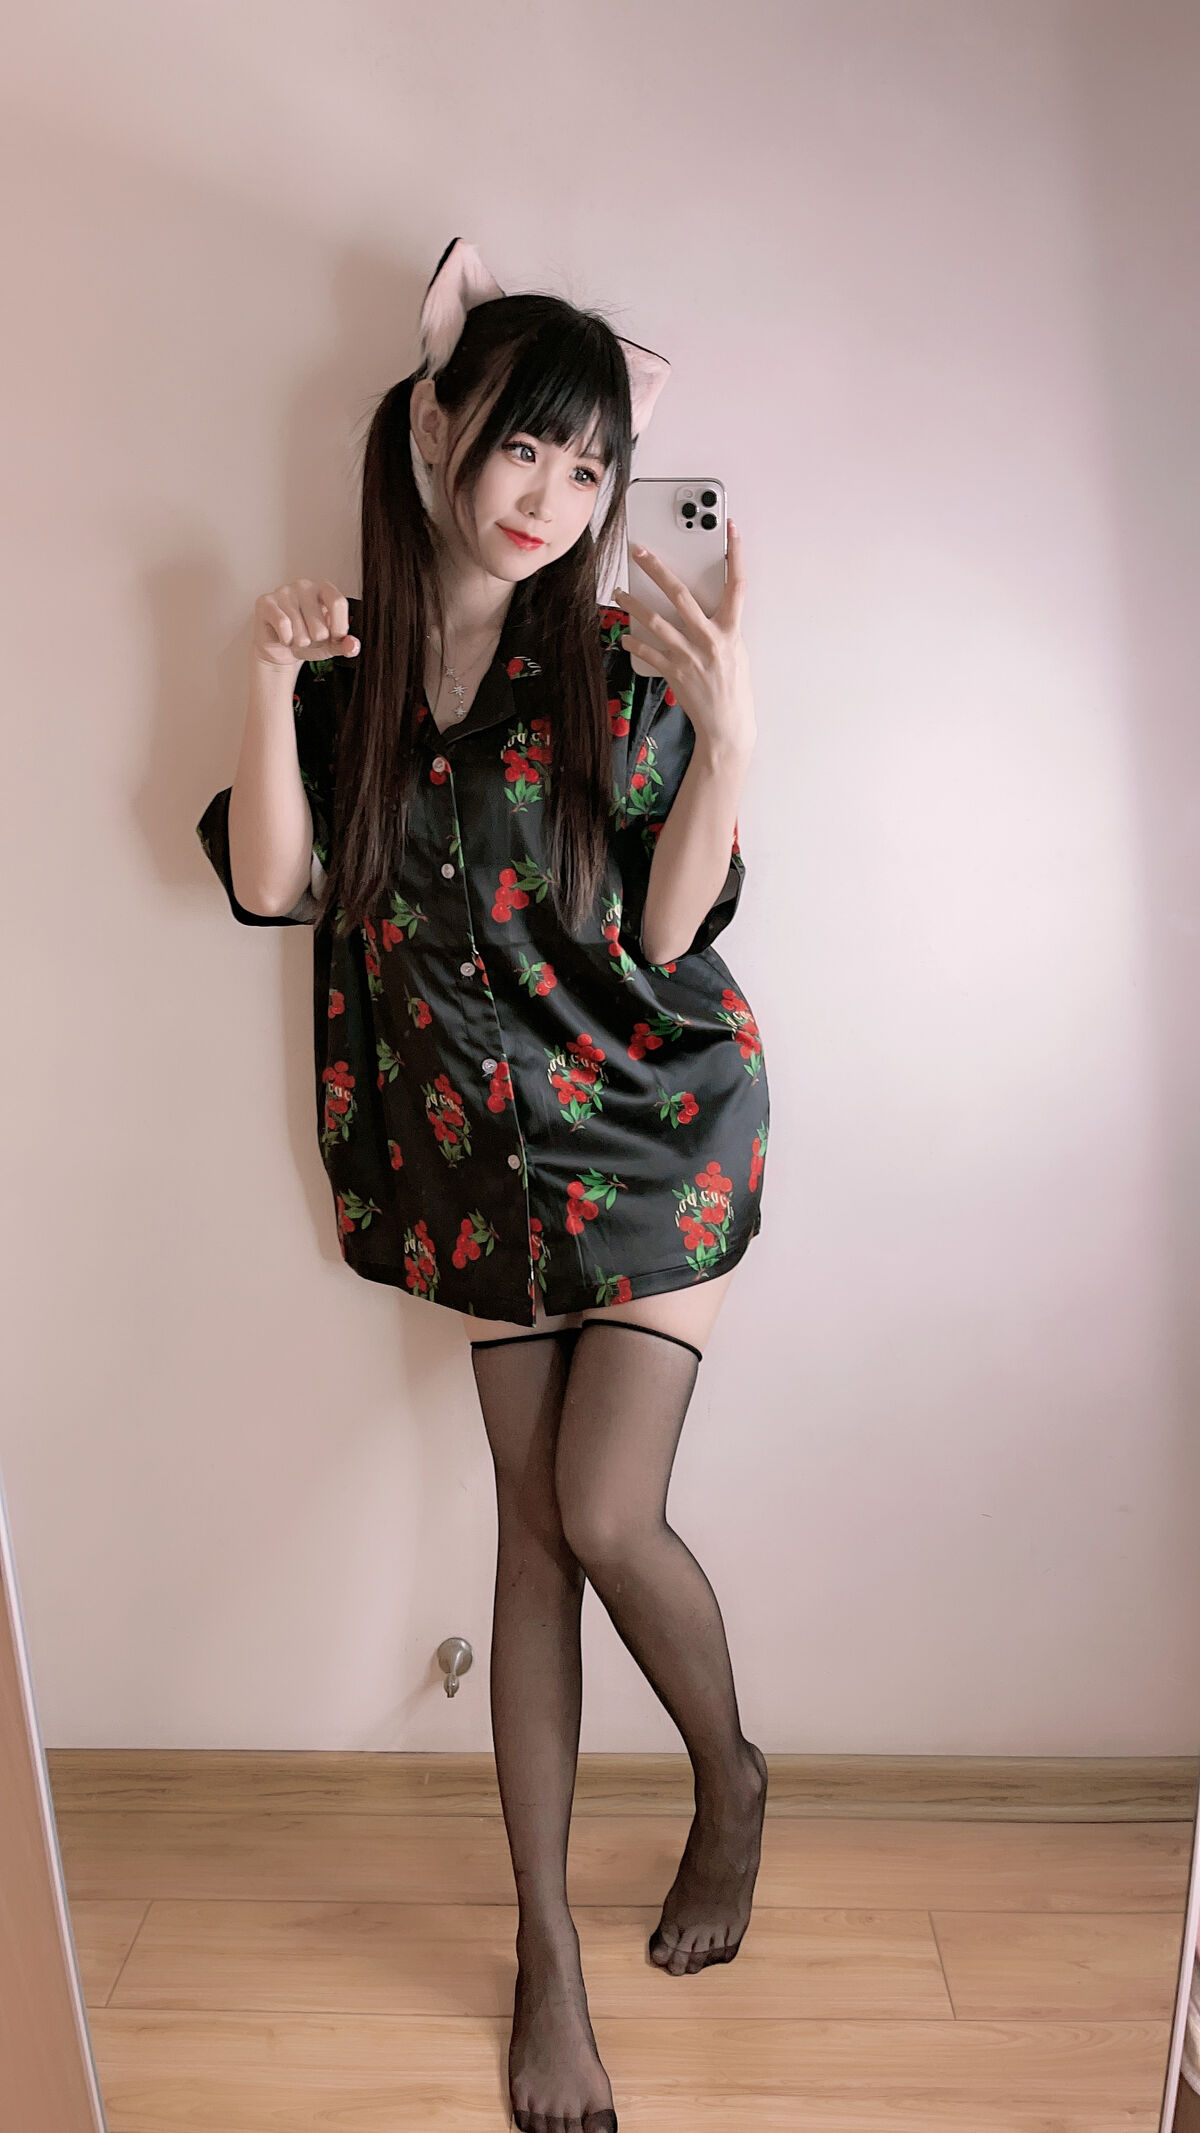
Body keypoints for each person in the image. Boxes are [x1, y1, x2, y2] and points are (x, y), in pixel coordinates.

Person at [196, 237, 771, 2133]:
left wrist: (733, 732)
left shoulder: (603, 661)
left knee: (602, 1509)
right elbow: (274, 884)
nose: (554, 497)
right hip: (472, 1161)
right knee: (531, 1532)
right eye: (529, 445)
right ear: (438, 426)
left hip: (657, 1121)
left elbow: (674, 928)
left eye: (592, 468)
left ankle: (732, 1777)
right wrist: (263, 679)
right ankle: (548, 1951)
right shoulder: (350, 669)